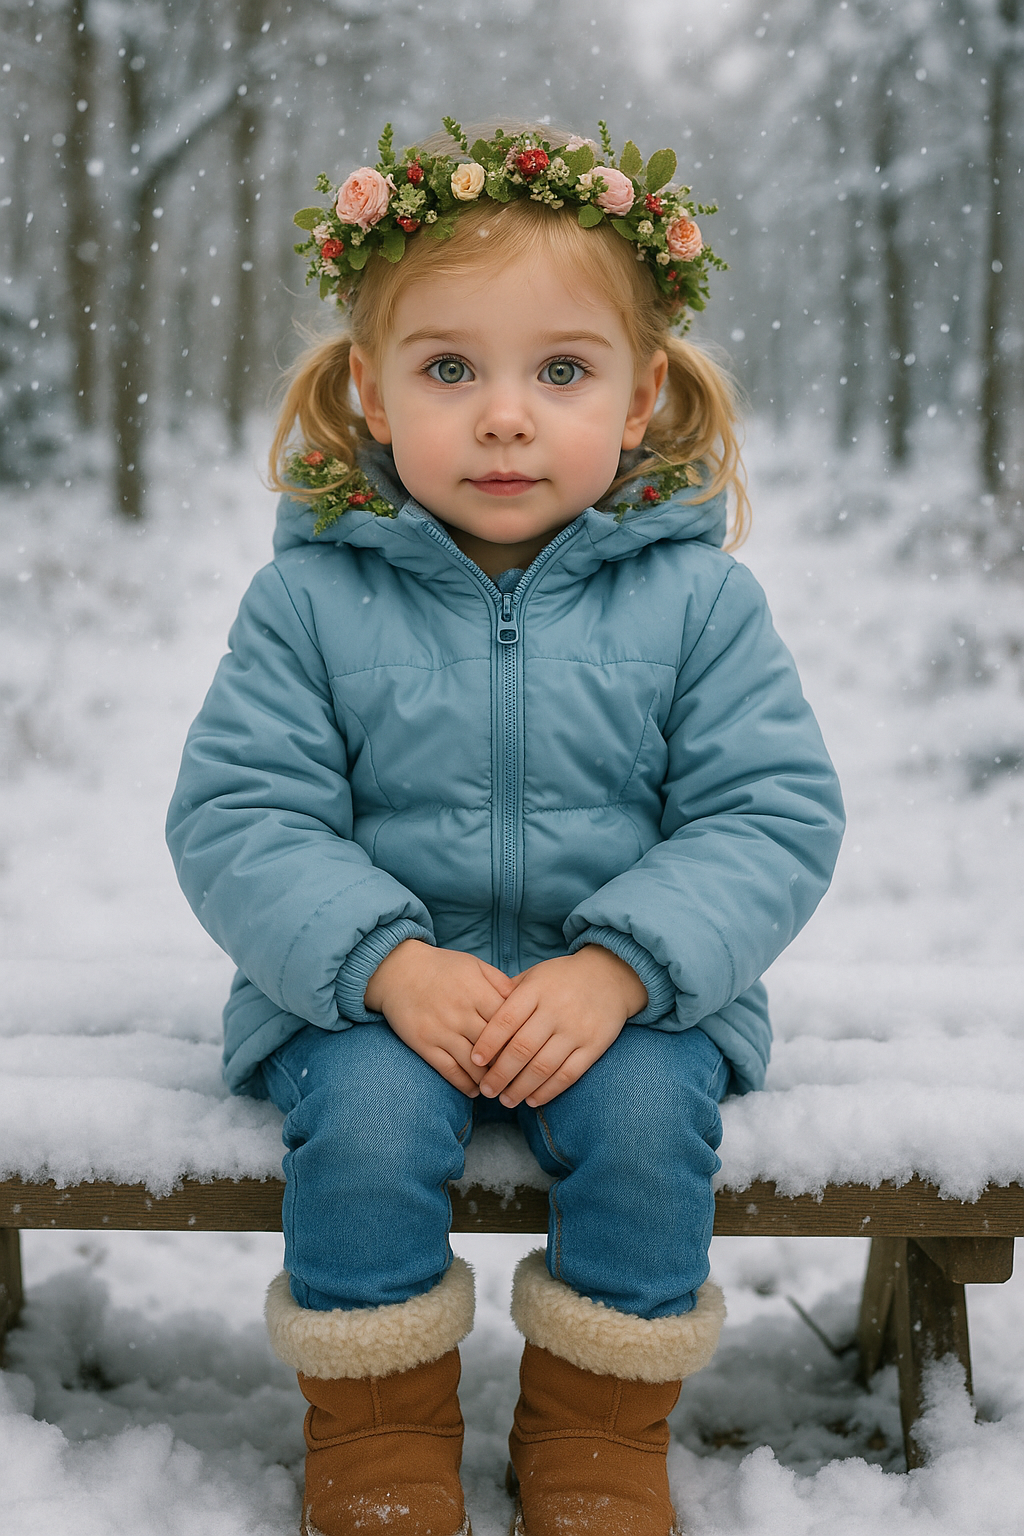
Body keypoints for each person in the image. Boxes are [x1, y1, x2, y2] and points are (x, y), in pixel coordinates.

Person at [166, 119, 844, 1536]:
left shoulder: (702, 607)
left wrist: (622, 968)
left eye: (562, 371)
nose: (504, 416)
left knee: (651, 1125)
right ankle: (378, 1444)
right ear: (370, 390)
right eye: (449, 369)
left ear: (644, 395)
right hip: (366, 1002)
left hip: (629, 1006)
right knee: (363, 1128)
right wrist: (384, 964)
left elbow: (766, 814)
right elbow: (243, 813)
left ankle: (597, 1441)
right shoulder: (307, 604)